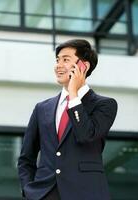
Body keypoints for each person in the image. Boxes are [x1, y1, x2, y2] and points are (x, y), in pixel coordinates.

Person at [18, 39, 118, 200]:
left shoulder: (105, 105)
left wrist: (73, 95)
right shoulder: (42, 108)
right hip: (44, 194)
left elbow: (86, 135)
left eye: (65, 59)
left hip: (87, 193)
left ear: (83, 66)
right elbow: (26, 158)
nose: (58, 65)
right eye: (57, 60)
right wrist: (29, 190)